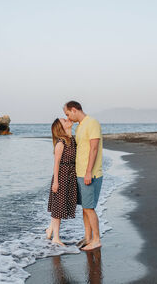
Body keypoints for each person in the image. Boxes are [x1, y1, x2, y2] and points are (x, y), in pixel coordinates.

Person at [63, 101, 103, 251]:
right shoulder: (80, 126)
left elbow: (94, 148)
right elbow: (75, 147)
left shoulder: (92, 123)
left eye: (67, 114)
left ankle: (96, 240)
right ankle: (88, 237)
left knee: (89, 208)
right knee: (85, 208)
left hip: (90, 173)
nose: (67, 117)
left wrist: (88, 172)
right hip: (80, 173)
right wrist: (68, 129)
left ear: (74, 110)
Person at [46, 118, 78, 246]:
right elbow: (56, 164)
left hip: (70, 176)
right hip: (61, 176)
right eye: (64, 120)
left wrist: (70, 127)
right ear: (60, 127)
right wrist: (56, 182)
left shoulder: (71, 140)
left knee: (59, 205)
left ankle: (50, 230)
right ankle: (56, 238)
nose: (67, 119)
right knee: (58, 207)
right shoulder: (60, 143)